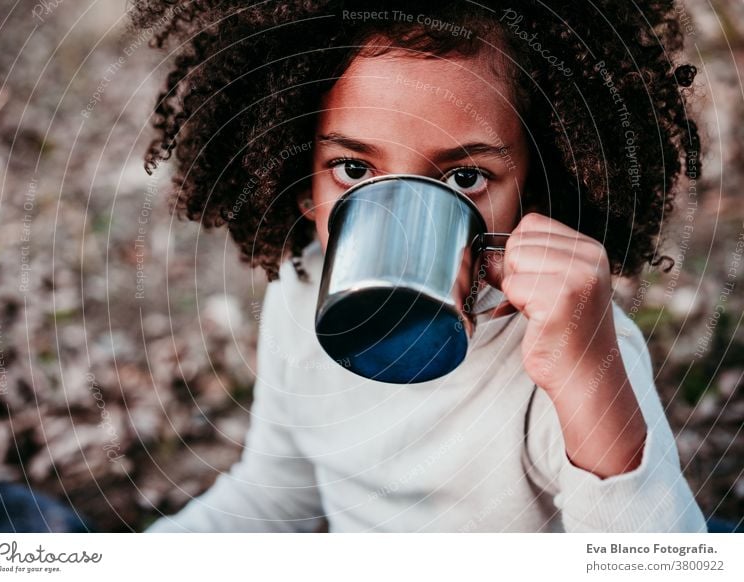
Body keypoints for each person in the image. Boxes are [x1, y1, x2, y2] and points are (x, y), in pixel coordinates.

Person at [134, 0, 706, 532]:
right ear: (304, 187)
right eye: (354, 169)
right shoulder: (299, 297)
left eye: (464, 178)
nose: (402, 226)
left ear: (535, 193)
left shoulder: (578, 351)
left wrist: (586, 375)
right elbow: (276, 495)